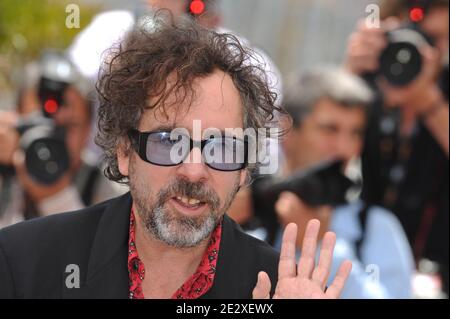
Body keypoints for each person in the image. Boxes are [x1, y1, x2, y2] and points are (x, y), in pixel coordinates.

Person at [0, 16, 351, 299]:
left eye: (221, 147)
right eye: (169, 142)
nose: (194, 170)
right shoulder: (23, 262)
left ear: (244, 169)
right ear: (124, 151)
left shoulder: (278, 289)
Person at [261, 67, 414, 298]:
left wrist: (322, 248)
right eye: (329, 129)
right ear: (286, 130)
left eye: (355, 133)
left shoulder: (376, 226)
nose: (344, 148)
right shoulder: (245, 210)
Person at [344, 0, 449, 294]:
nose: (416, 53)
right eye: (410, 35)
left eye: (435, 41)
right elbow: (315, 155)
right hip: (357, 263)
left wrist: (429, 103)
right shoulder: (366, 85)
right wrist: (348, 75)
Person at [0, 54, 125, 228]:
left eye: (68, 127)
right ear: (16, 120)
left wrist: (55, 197)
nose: (51, 139)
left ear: (87, 130)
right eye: (42, 124)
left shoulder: (108, 188)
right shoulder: (6, 169)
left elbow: (102, 250)